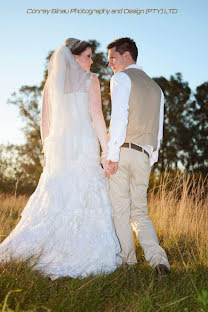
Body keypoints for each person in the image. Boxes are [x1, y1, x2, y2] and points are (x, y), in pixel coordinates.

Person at [0, 38, 122, 280]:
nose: (91, 61)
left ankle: (47, 250)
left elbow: (45, 124)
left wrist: (47, 152)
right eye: (88, 56)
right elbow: (97, 116)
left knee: (59, 198)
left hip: (60, 149)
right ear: (74, 58)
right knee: (81, 195)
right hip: (84, 144)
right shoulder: (91, 80)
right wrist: (106, 150)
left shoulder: (50, 85)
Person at [104, 37, 170, 276]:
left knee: (120, 211)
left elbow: (119, 119)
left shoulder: (121, 79)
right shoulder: (156, 88)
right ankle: (158, 260)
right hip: (144, 155)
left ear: (126, 55)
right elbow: (159, 129)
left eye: (112, 57)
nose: (109, 63)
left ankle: (128, 263)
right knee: (139, 213)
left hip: (122, 152)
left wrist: (111, 156)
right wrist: (151, 157)